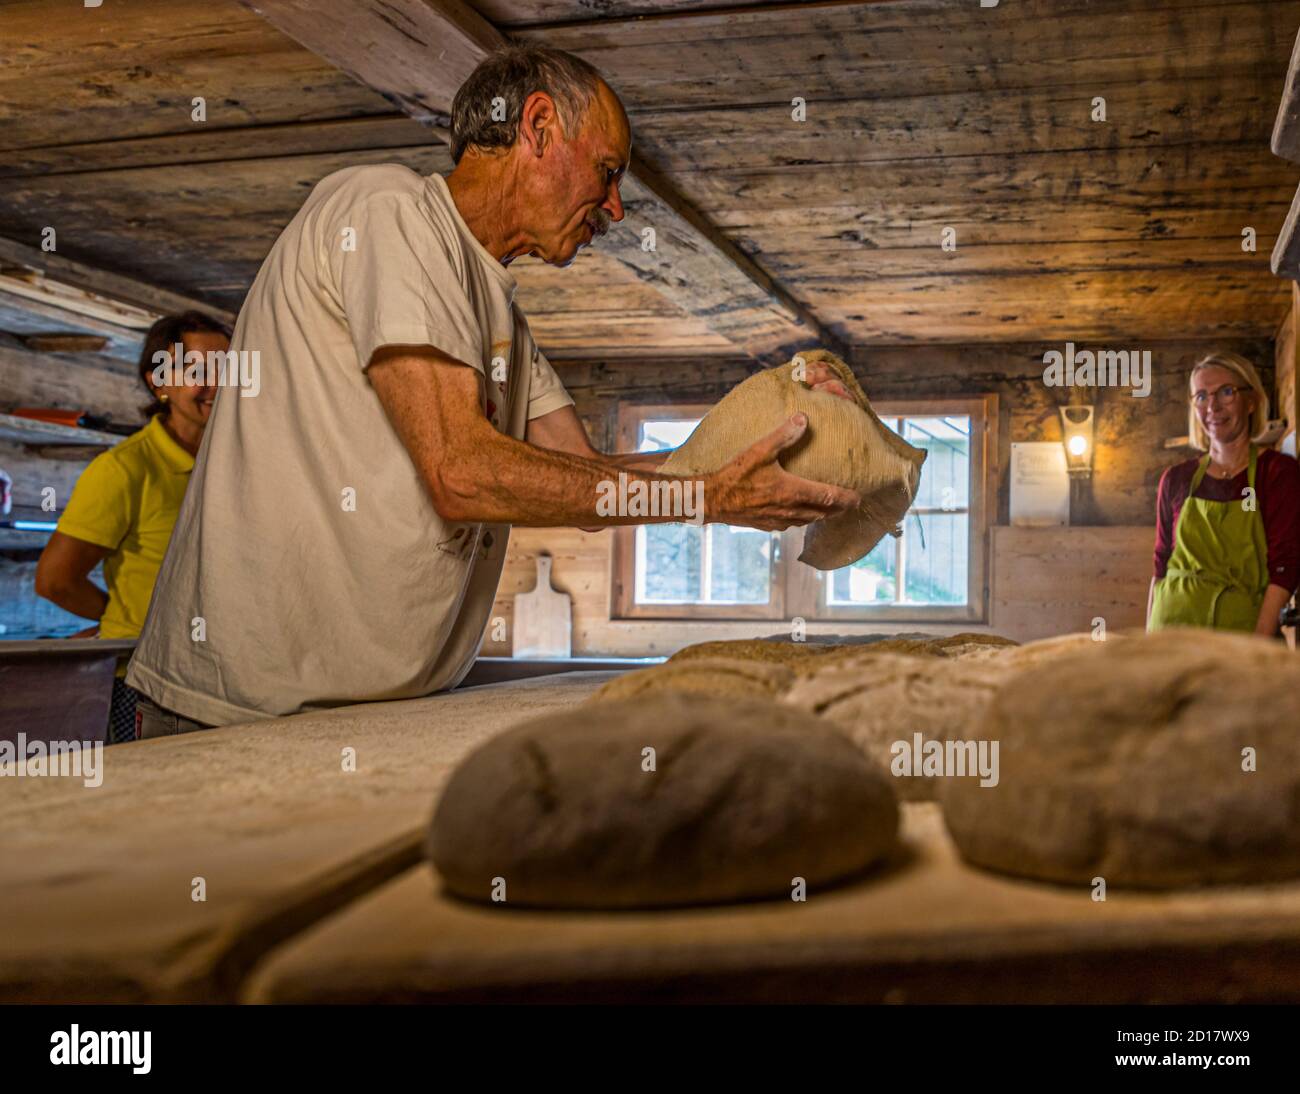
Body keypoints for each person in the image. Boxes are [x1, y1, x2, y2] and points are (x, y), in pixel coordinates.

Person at [124, 45, 858, 735]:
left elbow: (592, 484)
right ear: (538, 126)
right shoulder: (387, 211)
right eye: (606, 171)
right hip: (226, 709)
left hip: (362, 716)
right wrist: (708, 497)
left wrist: (766, 432)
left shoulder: (499, 311)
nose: (616, 206)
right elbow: (461, 472)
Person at [35, 312, 230, 741]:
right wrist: (128, 620)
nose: (217, 382)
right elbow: (55, 580)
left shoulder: (237, 462)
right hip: (150, 687)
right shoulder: (125, 469)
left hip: (228, 679)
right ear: (159, 382)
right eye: (198, 370)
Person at [1148, 350, 1300, 635]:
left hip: (1240, 638)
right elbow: (1161, 567)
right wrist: (1148, 645)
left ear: (1251, 401)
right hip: (1170, 633)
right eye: (1202, 396)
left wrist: (1255, 646)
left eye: (1226, 392)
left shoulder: (1277, 473)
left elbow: (1285, 567)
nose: (1212, 407)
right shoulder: (1176, 479)